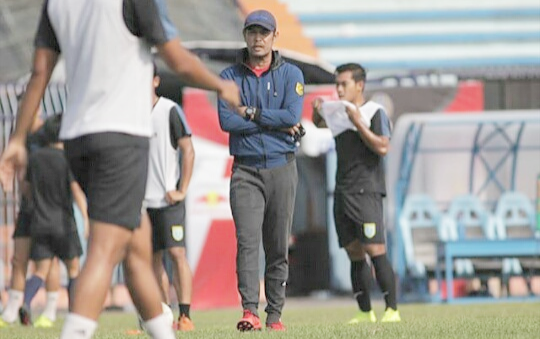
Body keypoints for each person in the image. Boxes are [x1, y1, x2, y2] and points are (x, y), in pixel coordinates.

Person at [0, 1, 240, 338]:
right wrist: (222, 85)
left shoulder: (57, 3)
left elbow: (40, 72)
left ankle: (163, 332)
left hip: (78, 138)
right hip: (121, 137)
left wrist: (18, 138)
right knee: (104, 248)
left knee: (138, 245)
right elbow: (175, 58)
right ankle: (76, 331)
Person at [217, 9, 305, 332]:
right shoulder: (228, 77)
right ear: (245, 36)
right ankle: (249, 310)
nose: (258, 38)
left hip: (282, 167)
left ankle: (275, 315)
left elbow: (292, 114)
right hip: (246, 170)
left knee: (277, 244)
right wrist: (277, 123)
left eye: (264, 32)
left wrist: (251, 113)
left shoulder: (292, 74)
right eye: (252, 32)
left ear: (274, 37)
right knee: (247, 242)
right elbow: (228, 122)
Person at [311, 63, 401, 323]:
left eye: (344, 84)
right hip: (342, 191)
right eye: (336, 84)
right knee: (353, 252)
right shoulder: (339, 112)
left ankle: (392, 310)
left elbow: (382, 147)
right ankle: (364, 312)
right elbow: (318, 124)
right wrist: (316, 110)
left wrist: (358, 123)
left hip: (367, 192)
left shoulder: (375, 112)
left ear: (359, 85)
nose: (338, 89)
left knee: (375, 250)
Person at [17, 114, 88, 327]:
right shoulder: (66, 159)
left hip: (40, 222)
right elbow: (76, 191)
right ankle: (75, 312)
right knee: (73, 269)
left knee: (40, 271)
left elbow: (26, 188)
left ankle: (26, 302)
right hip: (64, 224)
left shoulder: (35, 159)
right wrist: (85, 218)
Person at [0, 113, 63, 329]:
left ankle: (50, 310)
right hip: (27, 207)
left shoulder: (47, 133)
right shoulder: (19, 136)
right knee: (19, 258)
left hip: (48, 207)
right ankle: (12, 309)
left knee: (48, 260)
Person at [144, 67, 195, 331]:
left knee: (176, 252)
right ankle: (161, 317)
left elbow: (187, 150)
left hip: (168, 200)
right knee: (151, 259)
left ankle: (185, 316)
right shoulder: (128, 113)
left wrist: (182, 189)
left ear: (155, 80)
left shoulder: (169, 110)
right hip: (142, 203)